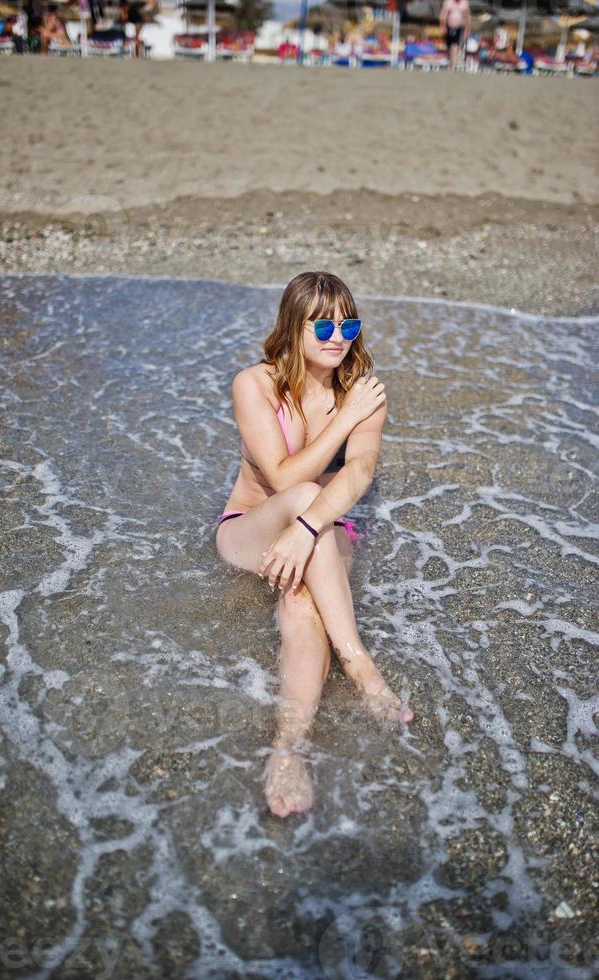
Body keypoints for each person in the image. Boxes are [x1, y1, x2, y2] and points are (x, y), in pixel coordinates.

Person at [215, 272, 414, 819]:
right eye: (322, 324)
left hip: (324, 529)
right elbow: (282, 481)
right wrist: (341, 421)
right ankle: (362, 663)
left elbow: (360, 474)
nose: (337, 335)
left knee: (303, 603)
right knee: (303, 491)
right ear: (292, 325)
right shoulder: (254, 384)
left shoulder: (365, 393)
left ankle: (289, 747)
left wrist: (307, 532)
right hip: (251, 527)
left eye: (347, 323)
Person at [439, 0, 471, 71]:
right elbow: (443, 14)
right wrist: (443, 26)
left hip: (459, 27)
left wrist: (467, 30)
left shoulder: (464, 3)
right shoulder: (448, 2)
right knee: (449, 46)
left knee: (455, 46)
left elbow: (467, 16)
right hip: (449, 27)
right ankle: (449, 61)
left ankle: (452, 66)